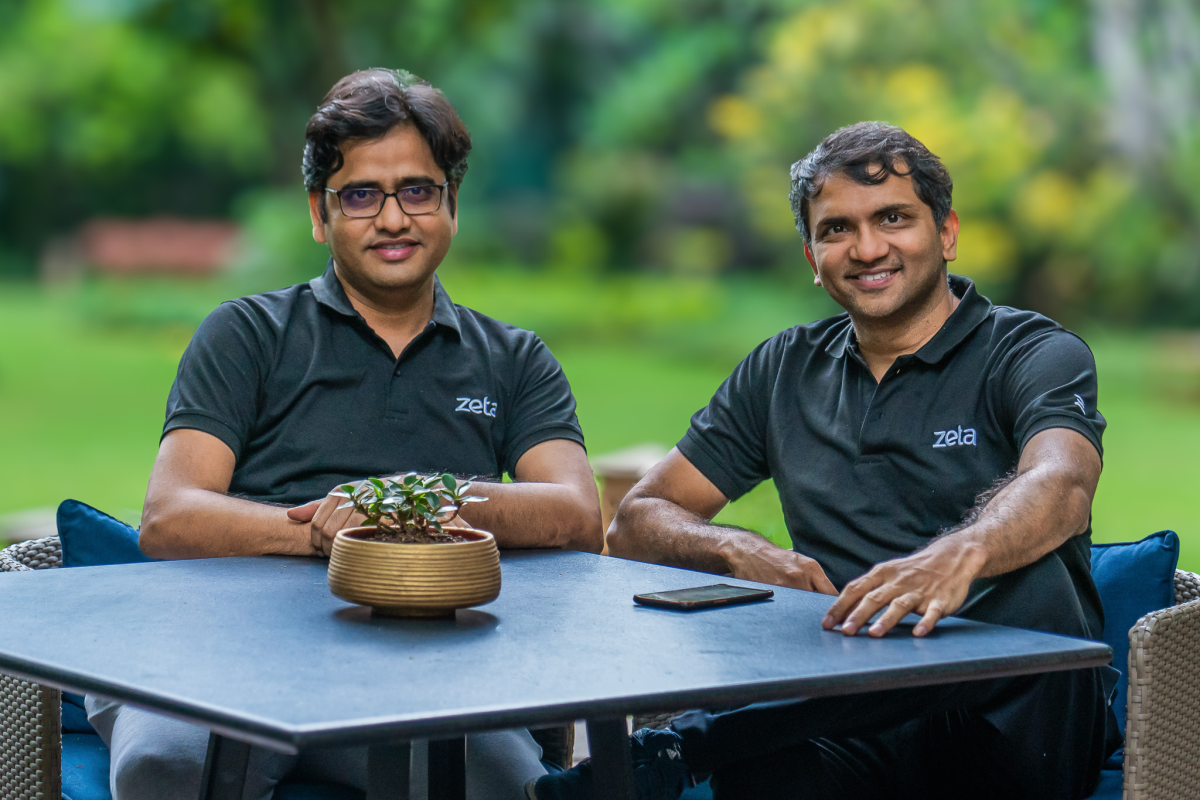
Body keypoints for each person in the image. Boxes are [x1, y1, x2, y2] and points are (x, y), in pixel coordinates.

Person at [529, 121, 1120, 800]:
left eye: (893, 218)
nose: (868, 248)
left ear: (947, 233)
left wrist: (962, 555)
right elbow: (636, 523)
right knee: (766, 771)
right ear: (812, 255)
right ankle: (727, 741)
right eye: (837, 229)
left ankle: (687, 745)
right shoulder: (784, 370)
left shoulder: (1030, 352)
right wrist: (740, 552)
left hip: (1011, 729)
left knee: (1035, 580)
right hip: (845, 728)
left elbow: (1064, 481)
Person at [87, 67, 604, 800]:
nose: (393, 220)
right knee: (165, 764)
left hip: (428, 666)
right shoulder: (247, 335)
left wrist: (408, 505)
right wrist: (335, 533)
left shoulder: (514, 359)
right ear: (317, 213)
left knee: (503, 783)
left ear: (452, 204)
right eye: (361, 195)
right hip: (219, 650)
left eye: (417, 191)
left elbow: (579, 516)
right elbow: (170, 517)